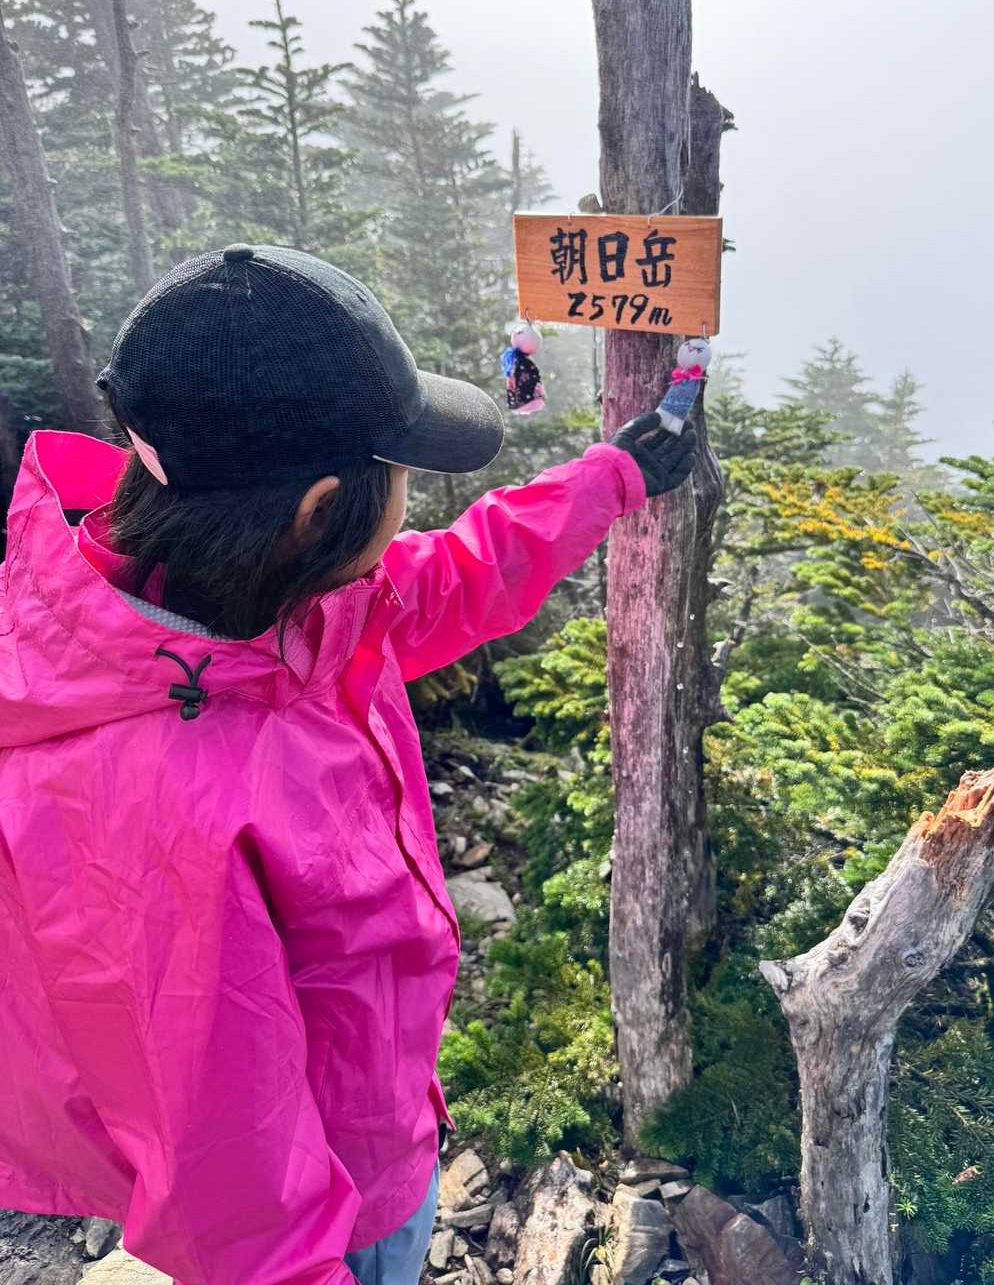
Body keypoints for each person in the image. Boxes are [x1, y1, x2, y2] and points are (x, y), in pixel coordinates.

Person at [0, 245, 697, 1285]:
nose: (409, 503)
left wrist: (613, 477)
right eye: (401, 477)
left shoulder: (250, 604)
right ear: (320, 511)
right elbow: (237, 1201)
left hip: (370, 1127)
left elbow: (452, 578)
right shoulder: (149, 808)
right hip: (339, 1214)